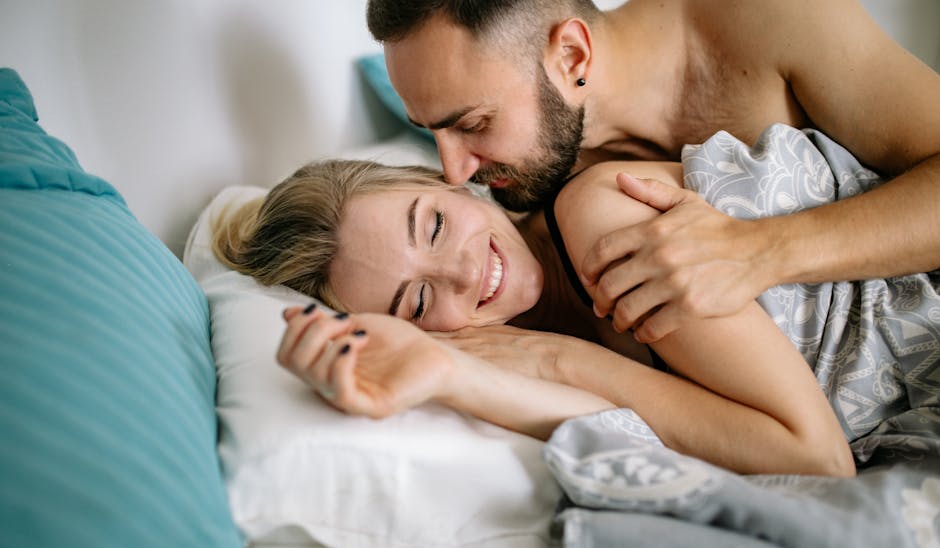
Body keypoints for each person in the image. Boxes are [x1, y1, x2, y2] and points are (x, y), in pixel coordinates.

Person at [212, 155, 856, 478]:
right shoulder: (508, 353)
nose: (464, 272)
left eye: (434, 225)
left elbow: (818, 461)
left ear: (446, 181)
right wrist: (448, 373)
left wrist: (561, 359)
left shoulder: (600, 219)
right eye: (418, 301)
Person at [364, 0, 940, 343]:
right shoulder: (541, 194)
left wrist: (761, 251)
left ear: (571, 57)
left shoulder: (770, 18)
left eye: (473, 124)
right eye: (430, 132)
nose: (453, 171)